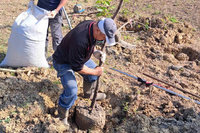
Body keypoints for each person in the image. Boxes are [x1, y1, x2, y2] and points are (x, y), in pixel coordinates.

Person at [52, 18, 117, 125]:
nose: (104, 39)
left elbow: (91, 42)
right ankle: (62, 114)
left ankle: (88, 94)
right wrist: (96, 71)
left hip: (77, 57)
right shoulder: (80, 40)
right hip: (63, 61)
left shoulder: (91, 24)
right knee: (72, 91)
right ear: (98, 30)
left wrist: (95, 51)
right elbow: (78, 67)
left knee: (92, 77)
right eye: (104, 36)